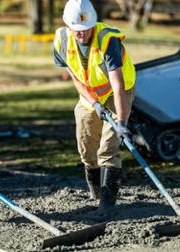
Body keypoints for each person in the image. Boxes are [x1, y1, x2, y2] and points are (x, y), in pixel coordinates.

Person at [53, 0, 136, 211]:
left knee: (108, 148)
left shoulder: (108, 41)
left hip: (117, 92)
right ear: (66, 23)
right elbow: (75, 77)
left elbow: (117, 84)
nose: (82, 33)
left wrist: (122, 123)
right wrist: (93, 103)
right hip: (89, 96)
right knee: (87, 149)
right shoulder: (61, 41)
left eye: (86, 28)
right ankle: (96, 194)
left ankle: (107, 205)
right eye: (77, 29)